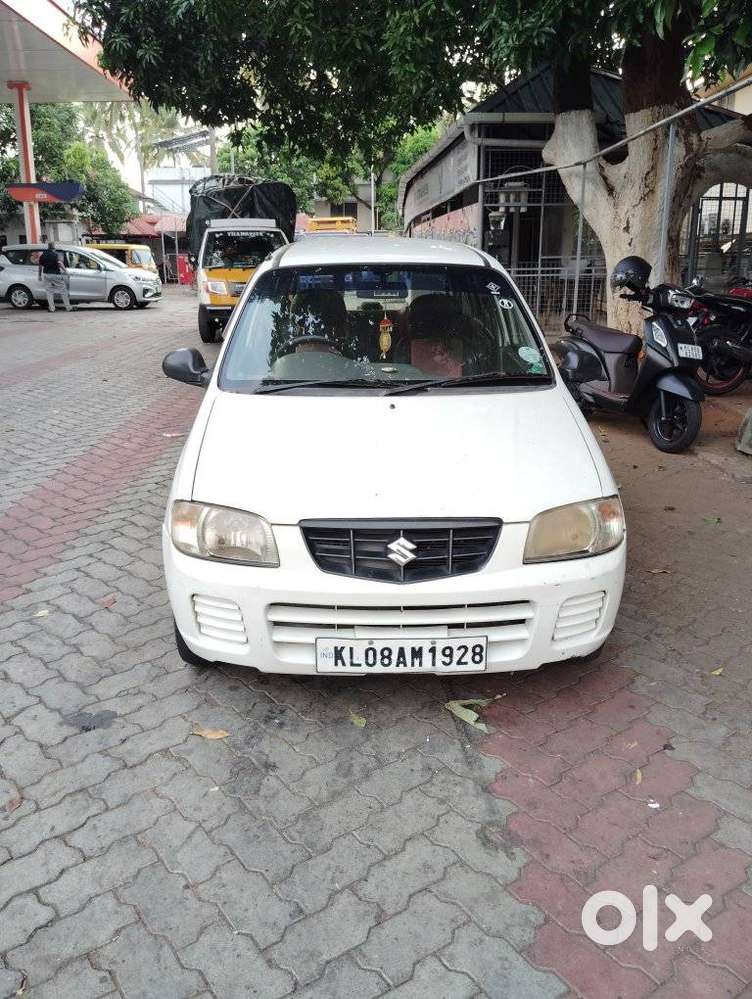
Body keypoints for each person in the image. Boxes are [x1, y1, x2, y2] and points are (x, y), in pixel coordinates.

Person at [37, 242, 72, 313]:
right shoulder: (55, 254)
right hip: (56, 274)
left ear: (48, 247)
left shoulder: (43, 255)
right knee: (63, 291)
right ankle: (68, 307)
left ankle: (52, 308)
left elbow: (40, 266)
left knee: (49, 292)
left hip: (46, 274)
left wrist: (39, 275)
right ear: (54, 248)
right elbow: (60, 263)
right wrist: (66, 271)